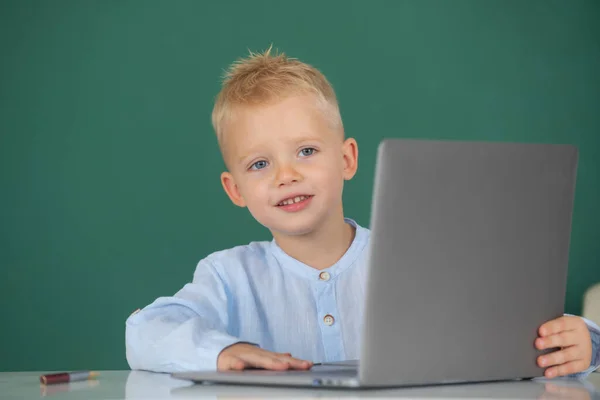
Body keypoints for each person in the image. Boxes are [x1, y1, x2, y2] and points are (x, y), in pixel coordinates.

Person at [125, 46, 600, 379]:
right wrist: (224, 350)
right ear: (236, 190)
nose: (285, 175)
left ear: (348, 159)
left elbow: (510, 336)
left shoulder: (414, 262)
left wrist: (587, 343)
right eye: (260, 164)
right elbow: (144, 333)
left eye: (307, 151)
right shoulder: (228, 276)